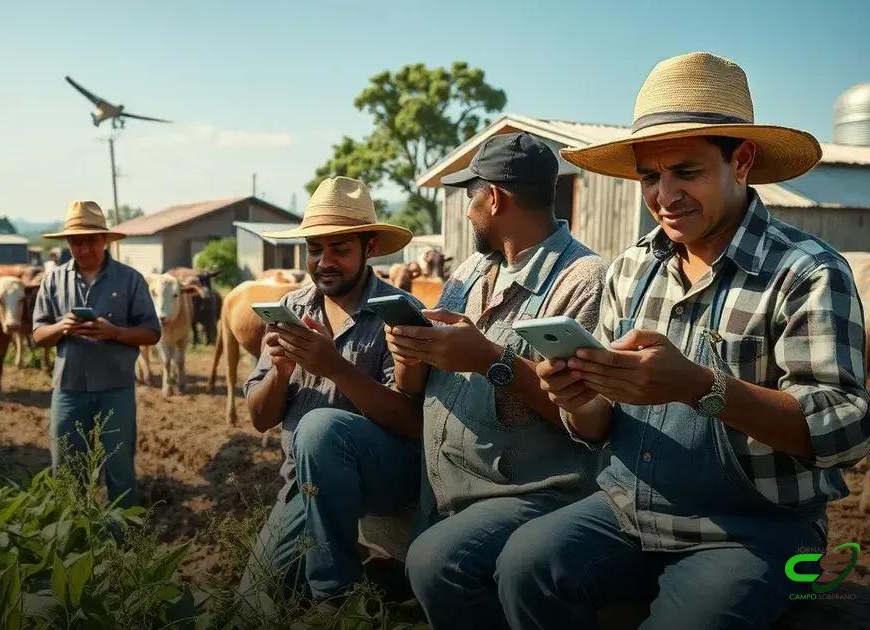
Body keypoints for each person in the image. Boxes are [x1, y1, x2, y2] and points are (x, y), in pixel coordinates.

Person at [498, 52, 870, 629]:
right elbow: (599, 426)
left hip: (754, 529)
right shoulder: (630, 270)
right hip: (626, 511)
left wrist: (704, 387)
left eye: (686, 172)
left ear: (740, 160)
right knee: (525, 565)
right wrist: (578, 398)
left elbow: (845, 429)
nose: (664, 196)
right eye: (651, 176)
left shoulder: (807, 272)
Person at [383, 132, 607, 629]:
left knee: (435, 564)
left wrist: (491, 359)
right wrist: (411, 350)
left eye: (470, 196)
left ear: (495, 197)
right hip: (446, 489)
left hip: (528, 493)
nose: (466, 211)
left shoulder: (583, 280)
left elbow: (585, 416)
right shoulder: (468, 271)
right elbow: (416, 385)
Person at [237, 176, 425, 606]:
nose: (324, 261)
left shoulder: (399, 314)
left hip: (383, 475)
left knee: (321, 428)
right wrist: (280, 373)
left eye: (339, 249)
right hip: (302, 486)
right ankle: (359, 583)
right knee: (253, 604)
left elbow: (411, 421)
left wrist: (334, 367)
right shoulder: (291, 309)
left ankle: (335, 598)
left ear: (370, 247)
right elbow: (261, 417)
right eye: (315, 249)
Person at [32, 200, 160, 507]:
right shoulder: (53, 279)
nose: (84, 248)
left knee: (119, 467)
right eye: (76, 241)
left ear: (105, 240)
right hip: (69, 389)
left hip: (115, 388)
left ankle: (122, 542)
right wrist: (62, 326)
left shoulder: (130, 279)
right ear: (68, 243)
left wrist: (114, 333)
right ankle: (71, 536)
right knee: (65, 467)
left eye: (90, 240)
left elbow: (152, 333)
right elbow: (38, 335)